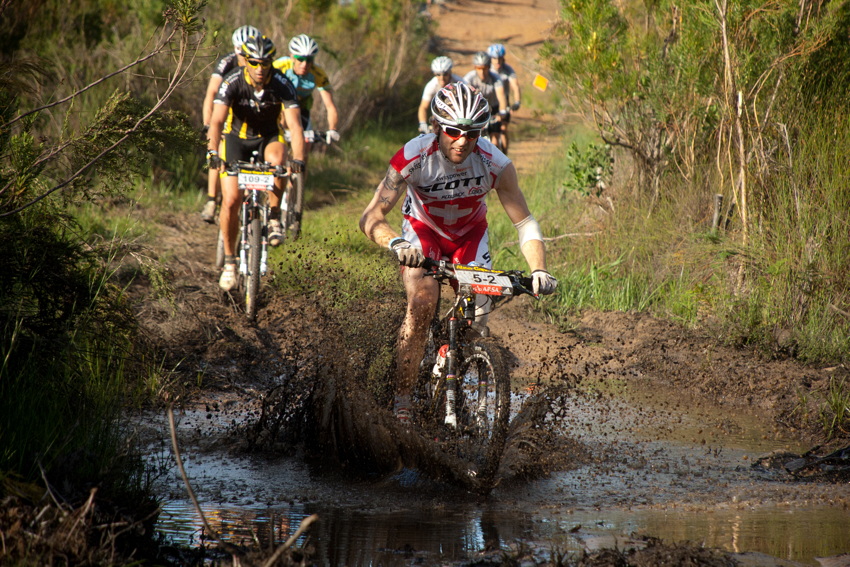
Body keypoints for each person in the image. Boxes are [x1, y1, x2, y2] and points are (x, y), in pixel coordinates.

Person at [359, 82, 558, 422]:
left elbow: (525, 222)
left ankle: (448, 357)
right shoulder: (413, 156)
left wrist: (539, 269)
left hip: (470, 236)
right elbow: (371, 214)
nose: (463, 141)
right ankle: (402, 401)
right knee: (422, 302)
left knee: (477, 318)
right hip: (422, 233)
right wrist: (396, 243)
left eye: (473, 133)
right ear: (437, 127)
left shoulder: (495, 163)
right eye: (454, 131)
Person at [207, 33, 306, 291]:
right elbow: (216, 122)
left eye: (265, 62)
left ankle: (273, 217)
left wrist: (299, 159)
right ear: (246, 61)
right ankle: (229, 262)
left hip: (267, 138)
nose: (260, 68)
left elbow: (294, 126)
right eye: (254, 62)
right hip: (236, 140)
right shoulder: (233, 81)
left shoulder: (282, 83)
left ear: (272, 61)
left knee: (279, 160)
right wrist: (212, 153)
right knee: (230, 200)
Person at [200, 25, 260, 223]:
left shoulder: (260, 64)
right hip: (225, 111)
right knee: (216, 150)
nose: (243, 56)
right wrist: (208, 124)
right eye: (239, 51)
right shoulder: (227, 62)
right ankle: (211, 199)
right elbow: (211, 93)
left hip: (249, 116)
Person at [273, 34, 340, 153]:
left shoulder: (318, 73)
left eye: (309, 60)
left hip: (301, 109)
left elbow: (330, 106)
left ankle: (301, 169)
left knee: (304, 152)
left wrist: (332, 129)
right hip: (278, 108)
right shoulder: (279, 66)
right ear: (292, 57)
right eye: (300, 59)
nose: (304, 64)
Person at [462, 52, 509, 151]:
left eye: (485, 68)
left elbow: (501, 97)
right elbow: (463, 97)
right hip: (475, 110)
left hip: (493, 109)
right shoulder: (468, 79)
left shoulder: (495, 78)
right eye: (479, 68)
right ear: (475, 67)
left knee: (495, 140)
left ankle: (500, 160)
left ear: (489, 67)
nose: (482, 72)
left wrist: (502, 112)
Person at [487, 43, 521, 154]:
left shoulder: (508, 70)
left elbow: (515, 86)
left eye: (499, 58)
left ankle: (505, 155)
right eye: (494, 58)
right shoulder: (487, 70)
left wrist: (517, 102)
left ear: (503, 58)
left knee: (503, 129)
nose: (497, 61)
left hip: (503, 102)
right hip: (489, 103)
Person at [417, 56, 464, 135]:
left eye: (445, 74)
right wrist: (423, 124)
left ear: (450, 73)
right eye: (438, 74)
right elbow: (423, 107)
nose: (442, 78)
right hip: (438, 117)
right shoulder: (431, 85)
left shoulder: (459, 83)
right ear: (434, 74)